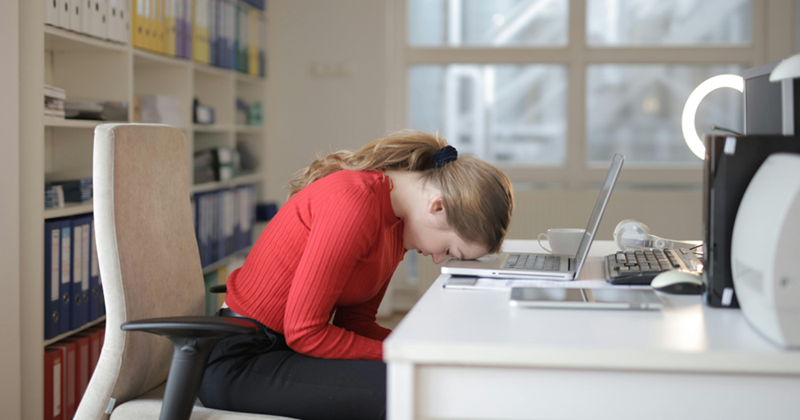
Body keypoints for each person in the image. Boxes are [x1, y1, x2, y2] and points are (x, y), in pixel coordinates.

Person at [198, 130, 514, 420]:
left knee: (427, 379)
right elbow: (305, 332)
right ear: (438, 207)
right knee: (413, 390)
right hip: (242, 360)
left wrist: (424, 350)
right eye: (449, 250)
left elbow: (356, 323)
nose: (437, 259)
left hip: (284, 351)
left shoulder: (397, 225)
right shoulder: (355, 202)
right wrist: (406, 353)